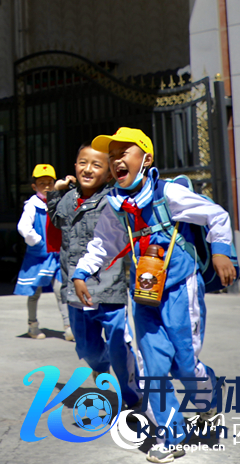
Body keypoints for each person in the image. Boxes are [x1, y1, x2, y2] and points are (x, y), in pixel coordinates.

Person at [72, 128, 236, 464]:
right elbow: (103, 243)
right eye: (112, 155)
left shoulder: (170, 194)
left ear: (146, 159)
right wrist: (82, 271)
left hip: (181, 289)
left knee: (185, 365)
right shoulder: (116, 207)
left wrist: (222, 252)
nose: (117, 159)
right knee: (152, 367)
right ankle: (170, 434)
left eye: (124, 152)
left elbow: (216, 215)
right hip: (144, 296)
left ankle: (208, 397)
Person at [47, 143, 141, 410]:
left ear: (110, 173)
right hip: (74, 289)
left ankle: (130, 392)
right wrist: (55, 192)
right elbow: (56, 220)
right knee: (87, 348)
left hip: (108, 285)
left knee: (118, 343)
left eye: (97, 165)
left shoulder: (113, 198)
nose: (87, 169)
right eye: (82, 163)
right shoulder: (67, 197)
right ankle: (100, 368)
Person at [15, 164, 70, 340]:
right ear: (34, 186)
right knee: (35, 291)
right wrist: (37, 242)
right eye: (41, 183)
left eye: (49, 182)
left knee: (60, 289)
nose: (46, 186)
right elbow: (23, 227)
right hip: (39, 255)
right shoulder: (32, 205)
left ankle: (68, 326)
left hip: (56, 253)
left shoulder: (59, 201)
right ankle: (33, 325)